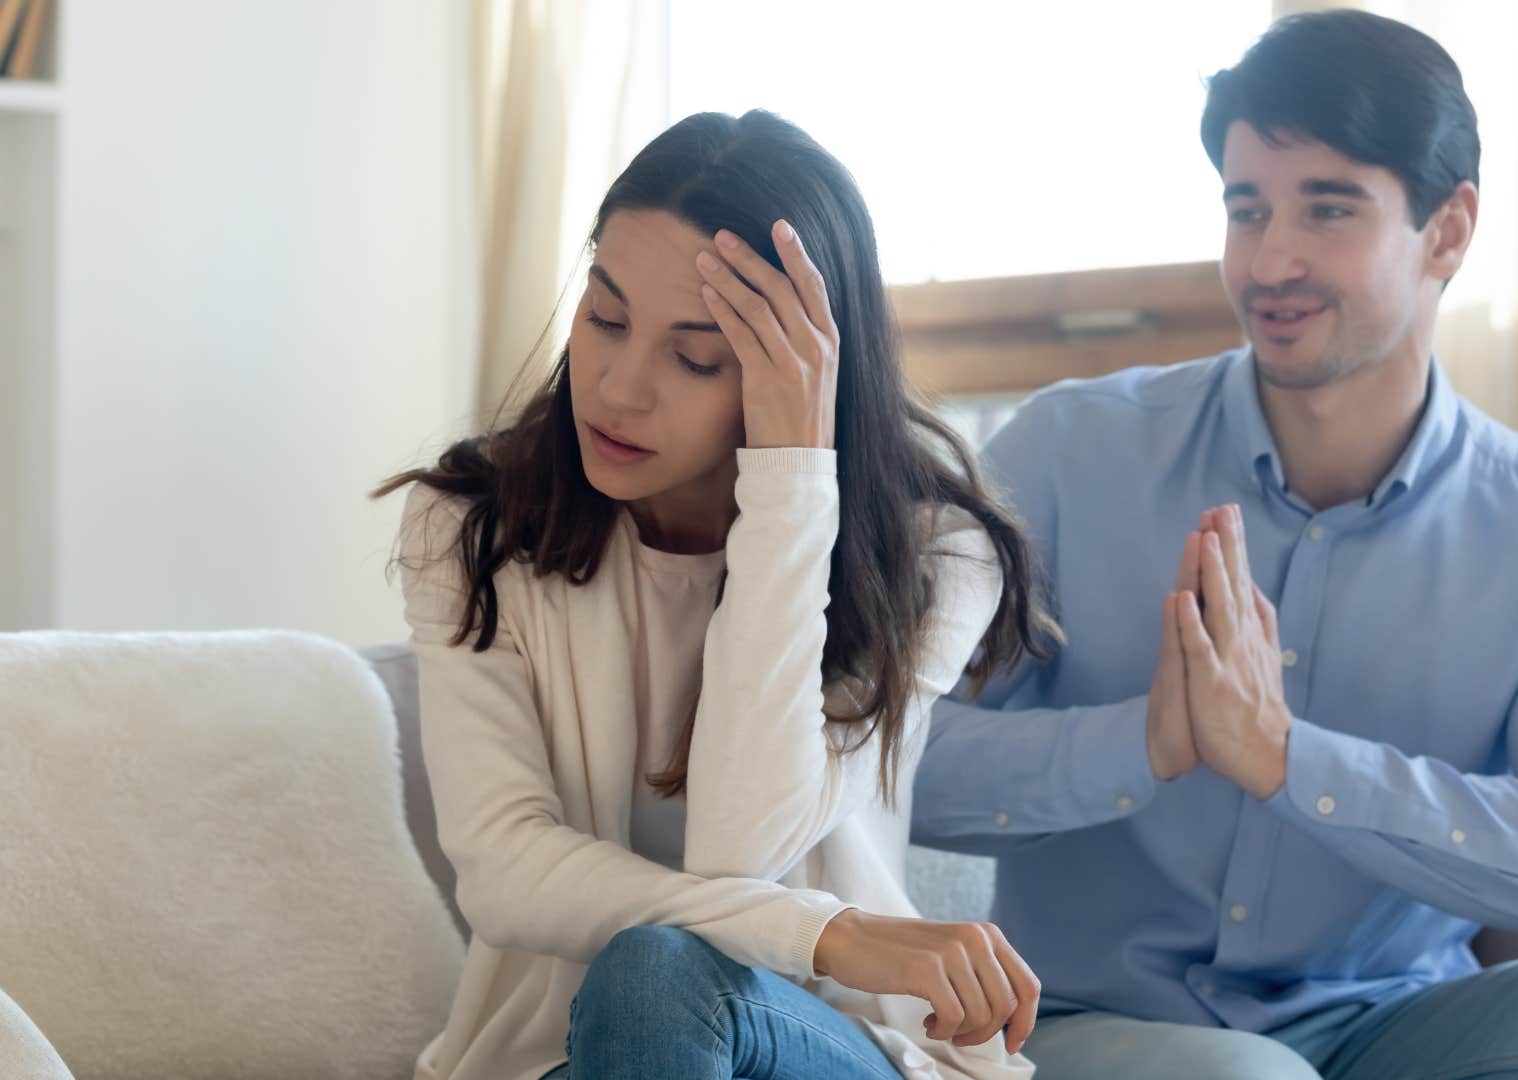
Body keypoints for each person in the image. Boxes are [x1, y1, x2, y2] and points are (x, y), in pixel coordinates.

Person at [910, 11, 1518, 1078]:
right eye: (1247, 209)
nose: (1272, 260)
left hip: (1396, 1026)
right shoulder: (1067, 452)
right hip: (1091, 1023)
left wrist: (1289, 762)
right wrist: (1144, 746)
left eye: (1328, 209)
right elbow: (889, 762)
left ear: (1448, 232)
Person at [381, 109, 1052, 1080]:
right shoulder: (475, 529)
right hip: (560, 1062)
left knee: (661, 973)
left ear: (810, 374)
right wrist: (829, 933)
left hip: (839, 1049)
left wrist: (787, 479)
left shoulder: (935, 555)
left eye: (696, 358)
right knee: (649, 985)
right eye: (604, 318)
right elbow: (504, 868)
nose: (617, 387)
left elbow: (745, 845)